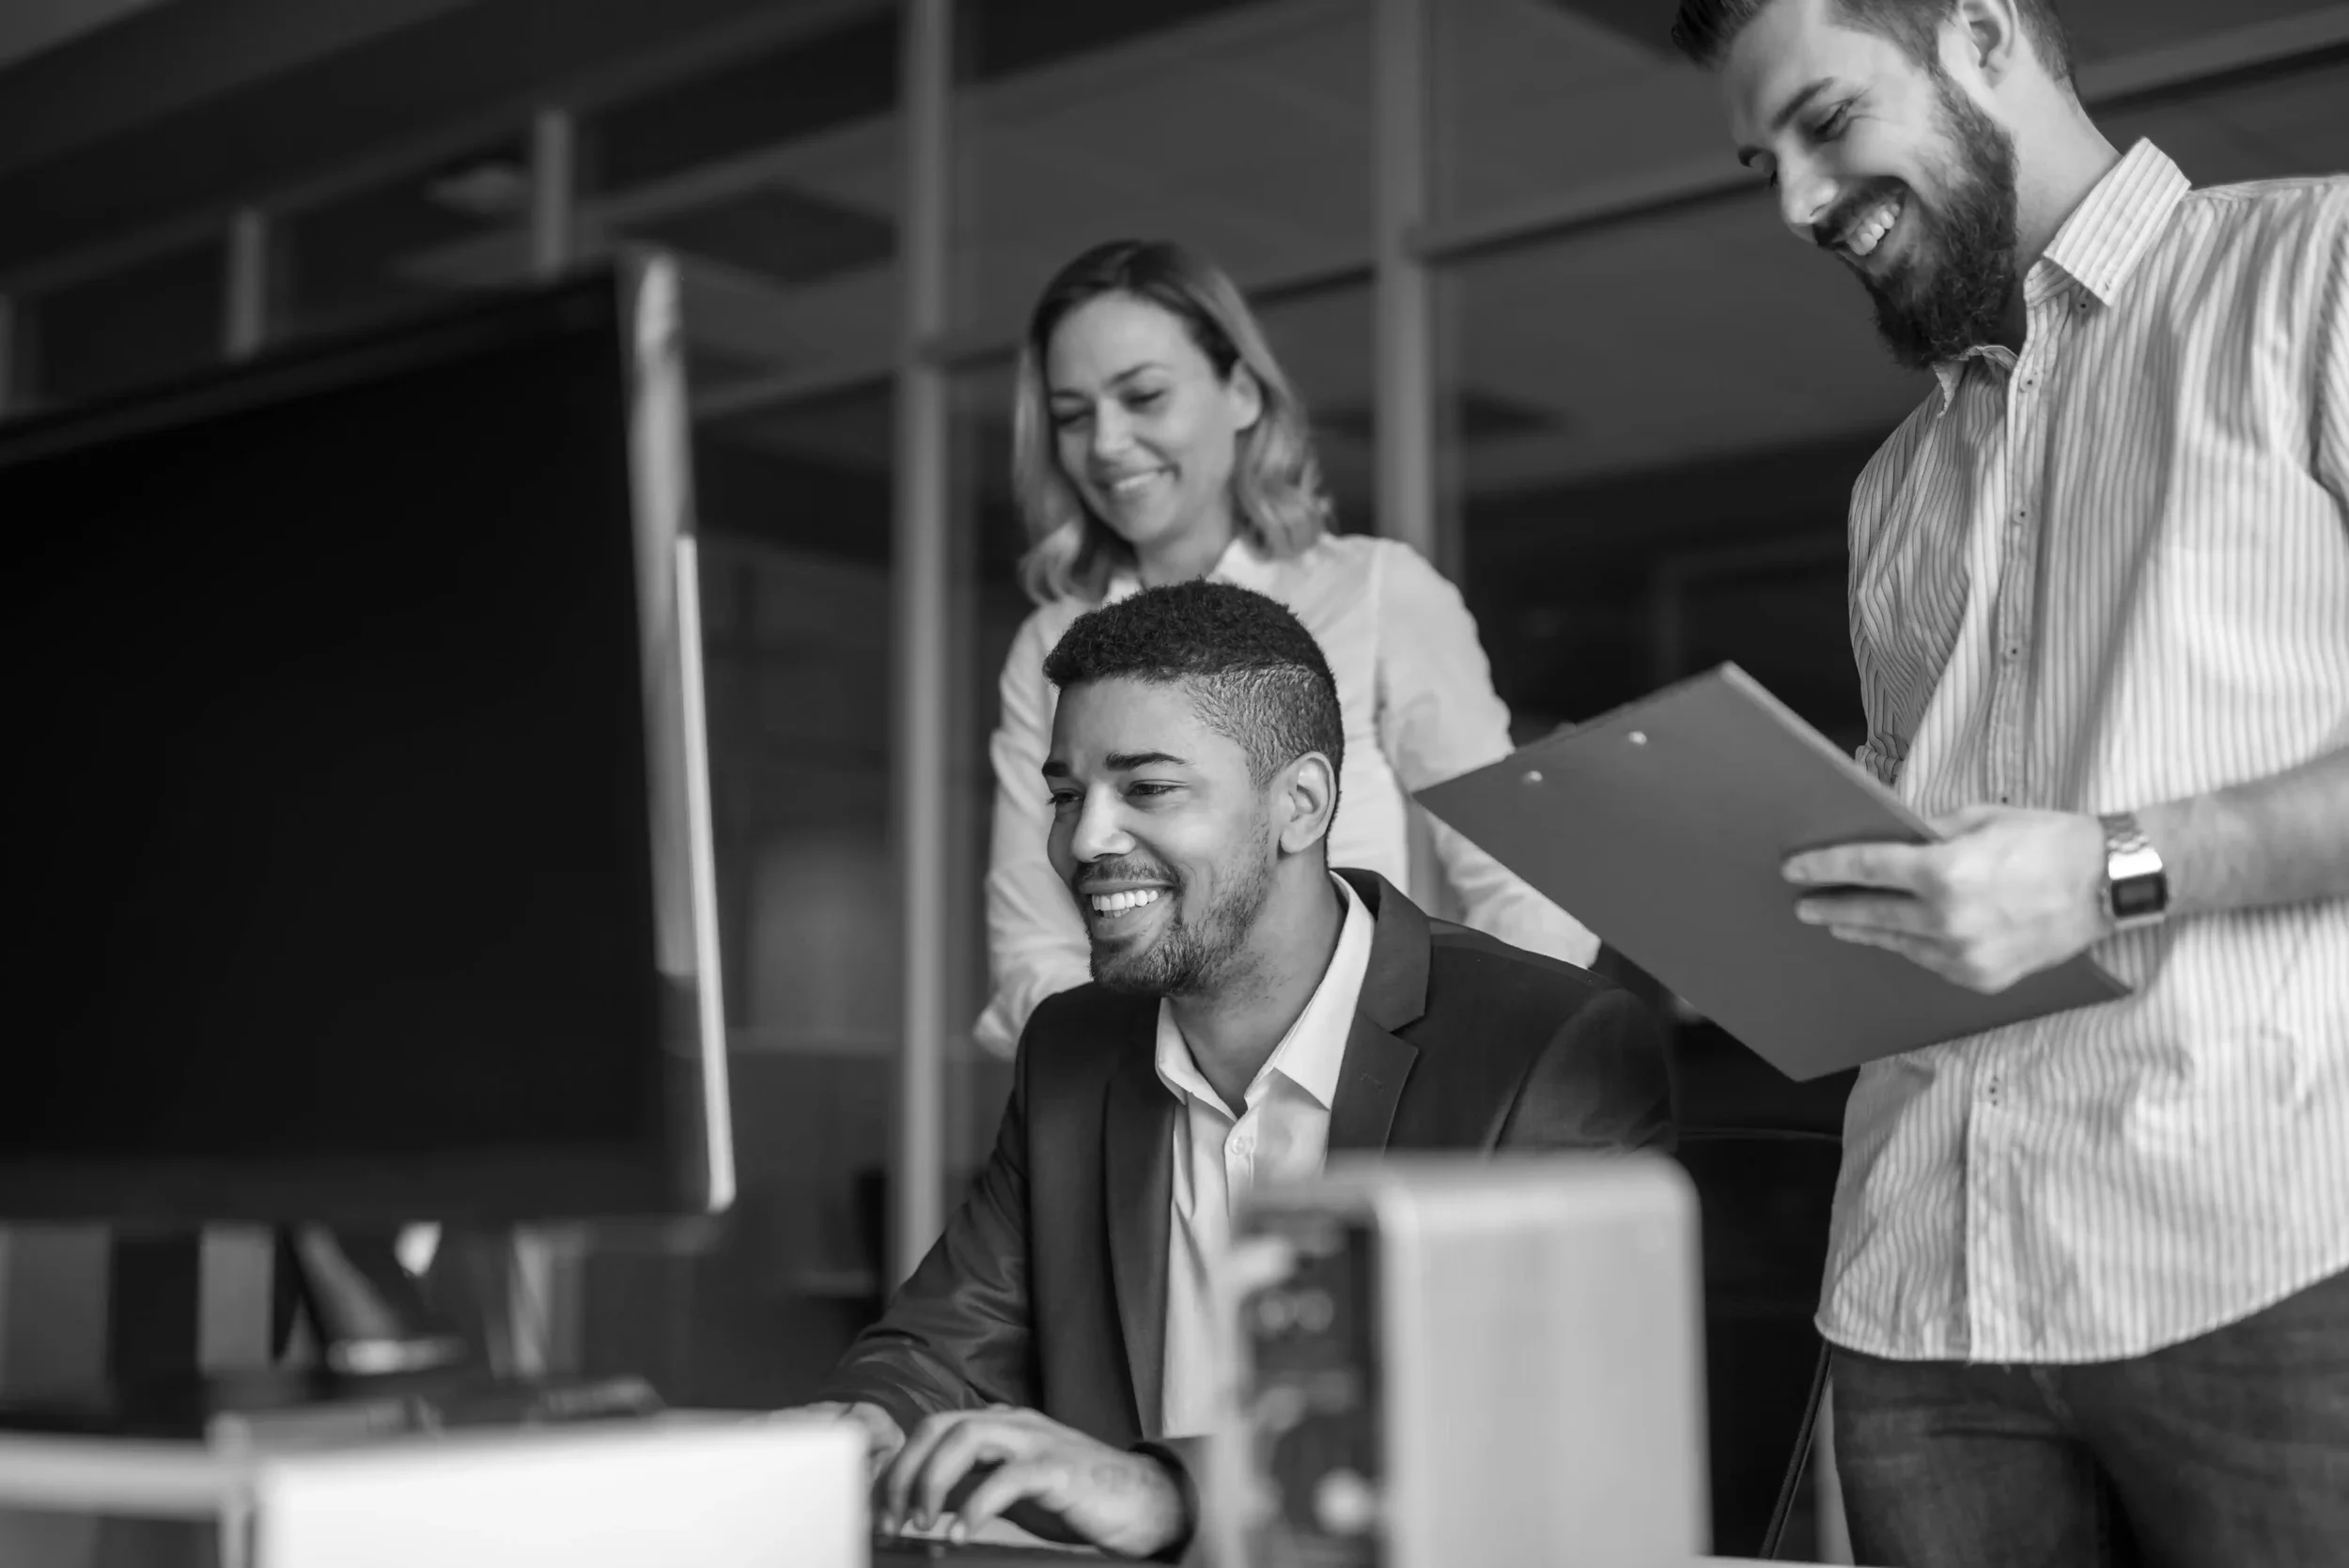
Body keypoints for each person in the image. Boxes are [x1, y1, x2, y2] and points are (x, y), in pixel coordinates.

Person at [1672, 1, 2349, 1563]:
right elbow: (1943, 866)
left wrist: (2114, 863)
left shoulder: (2310, 275)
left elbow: (2075, 860)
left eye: (1827, 121)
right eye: (1762, 158)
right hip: (1925, 1296)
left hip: (2264, 1256)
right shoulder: (1894, 490)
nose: (1795, 201)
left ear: (1981, 33)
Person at [806, 582, 1673, 1557]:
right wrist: (866, 1418)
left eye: (1147, 787)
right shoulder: (1071, 1051)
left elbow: (1536, 1438)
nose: (1085, 839)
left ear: (1298, 804)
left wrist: (1168, 1492)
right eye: (1066, 794)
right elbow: (940, 1346)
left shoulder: (1547, 1043)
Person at [974, 238, 1597, 1060]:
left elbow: (1528, 892)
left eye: (1144, 396)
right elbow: (1032, 952)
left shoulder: (1377, 592)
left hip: (1375, 1123)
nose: (1108, 444)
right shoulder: (1049, 648)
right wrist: (1153, 1093)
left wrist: (1451, 1085)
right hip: (1149, 1138)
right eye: (1073, 416)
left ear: (1240, 392)